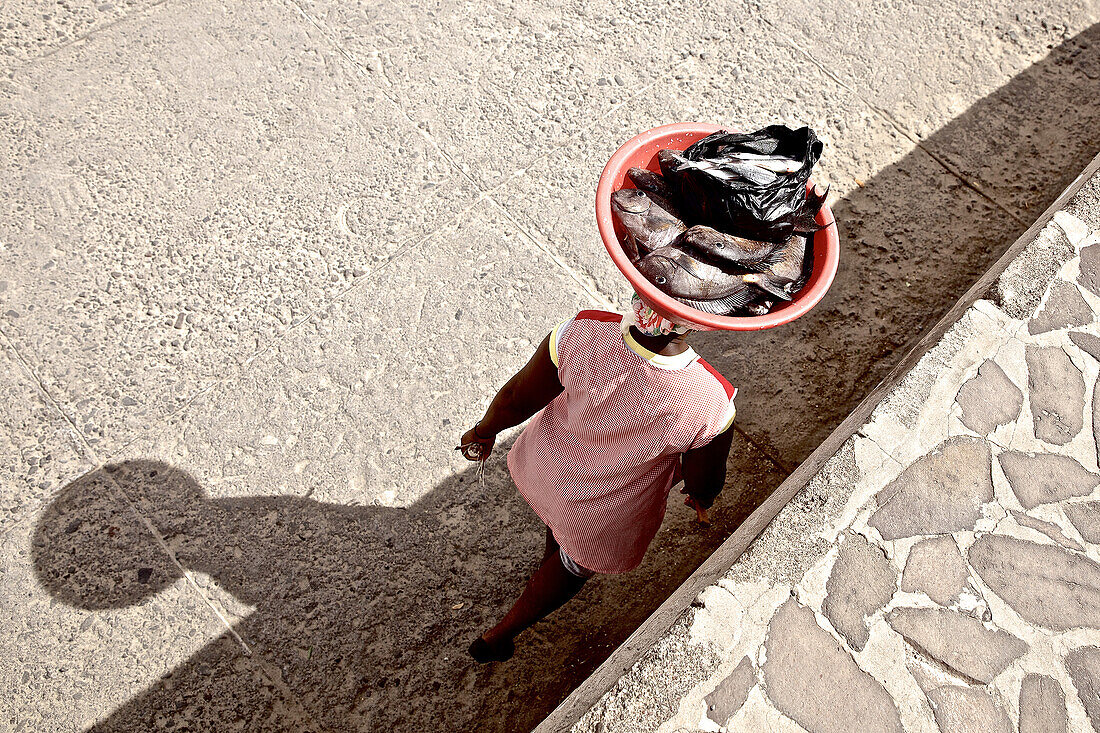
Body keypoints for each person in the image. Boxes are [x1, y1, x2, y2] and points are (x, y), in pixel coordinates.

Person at [458, 294, 737, 663]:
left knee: (559, 526)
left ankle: (549, 560)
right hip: (600, 515)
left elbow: (514, 398)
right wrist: (703, 497)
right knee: (573, 562)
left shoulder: (582, 331)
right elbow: (705, 480)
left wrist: (484, 431)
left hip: (547, 470)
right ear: (705, 321)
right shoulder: (713, 400)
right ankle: (500, 635)